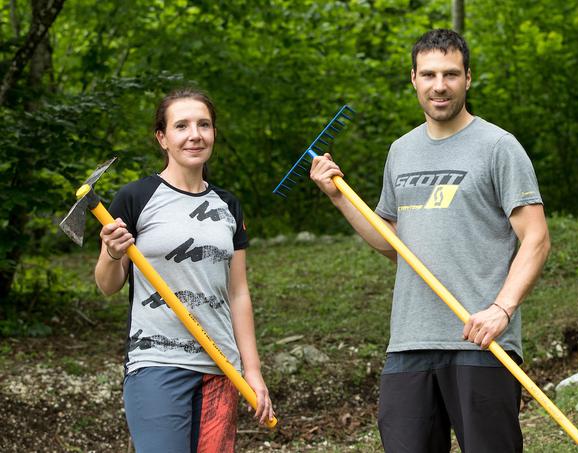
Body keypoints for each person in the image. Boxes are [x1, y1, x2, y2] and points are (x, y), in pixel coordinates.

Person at [310, 29, 550, 452]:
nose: (440, 85)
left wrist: (501, 309)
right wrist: (338, 198)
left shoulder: (498, 147)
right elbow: (393, 244)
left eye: (451, 74)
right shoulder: (400, 151)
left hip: (480, 341)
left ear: (468, 79)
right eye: (429, 74)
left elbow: (536, 238)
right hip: (408, 341)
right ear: (414, 79)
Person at [94, 88, 274, 453]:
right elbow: (108, 285)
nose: (195, 134)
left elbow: (238, 293)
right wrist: (112, 255)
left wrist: (251, 372)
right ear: (162, 137)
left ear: (213, 133)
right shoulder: (135, 198)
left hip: (220, 365)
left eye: (203, 125)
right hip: (156, 363)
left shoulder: (227, 205)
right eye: (182, 126)